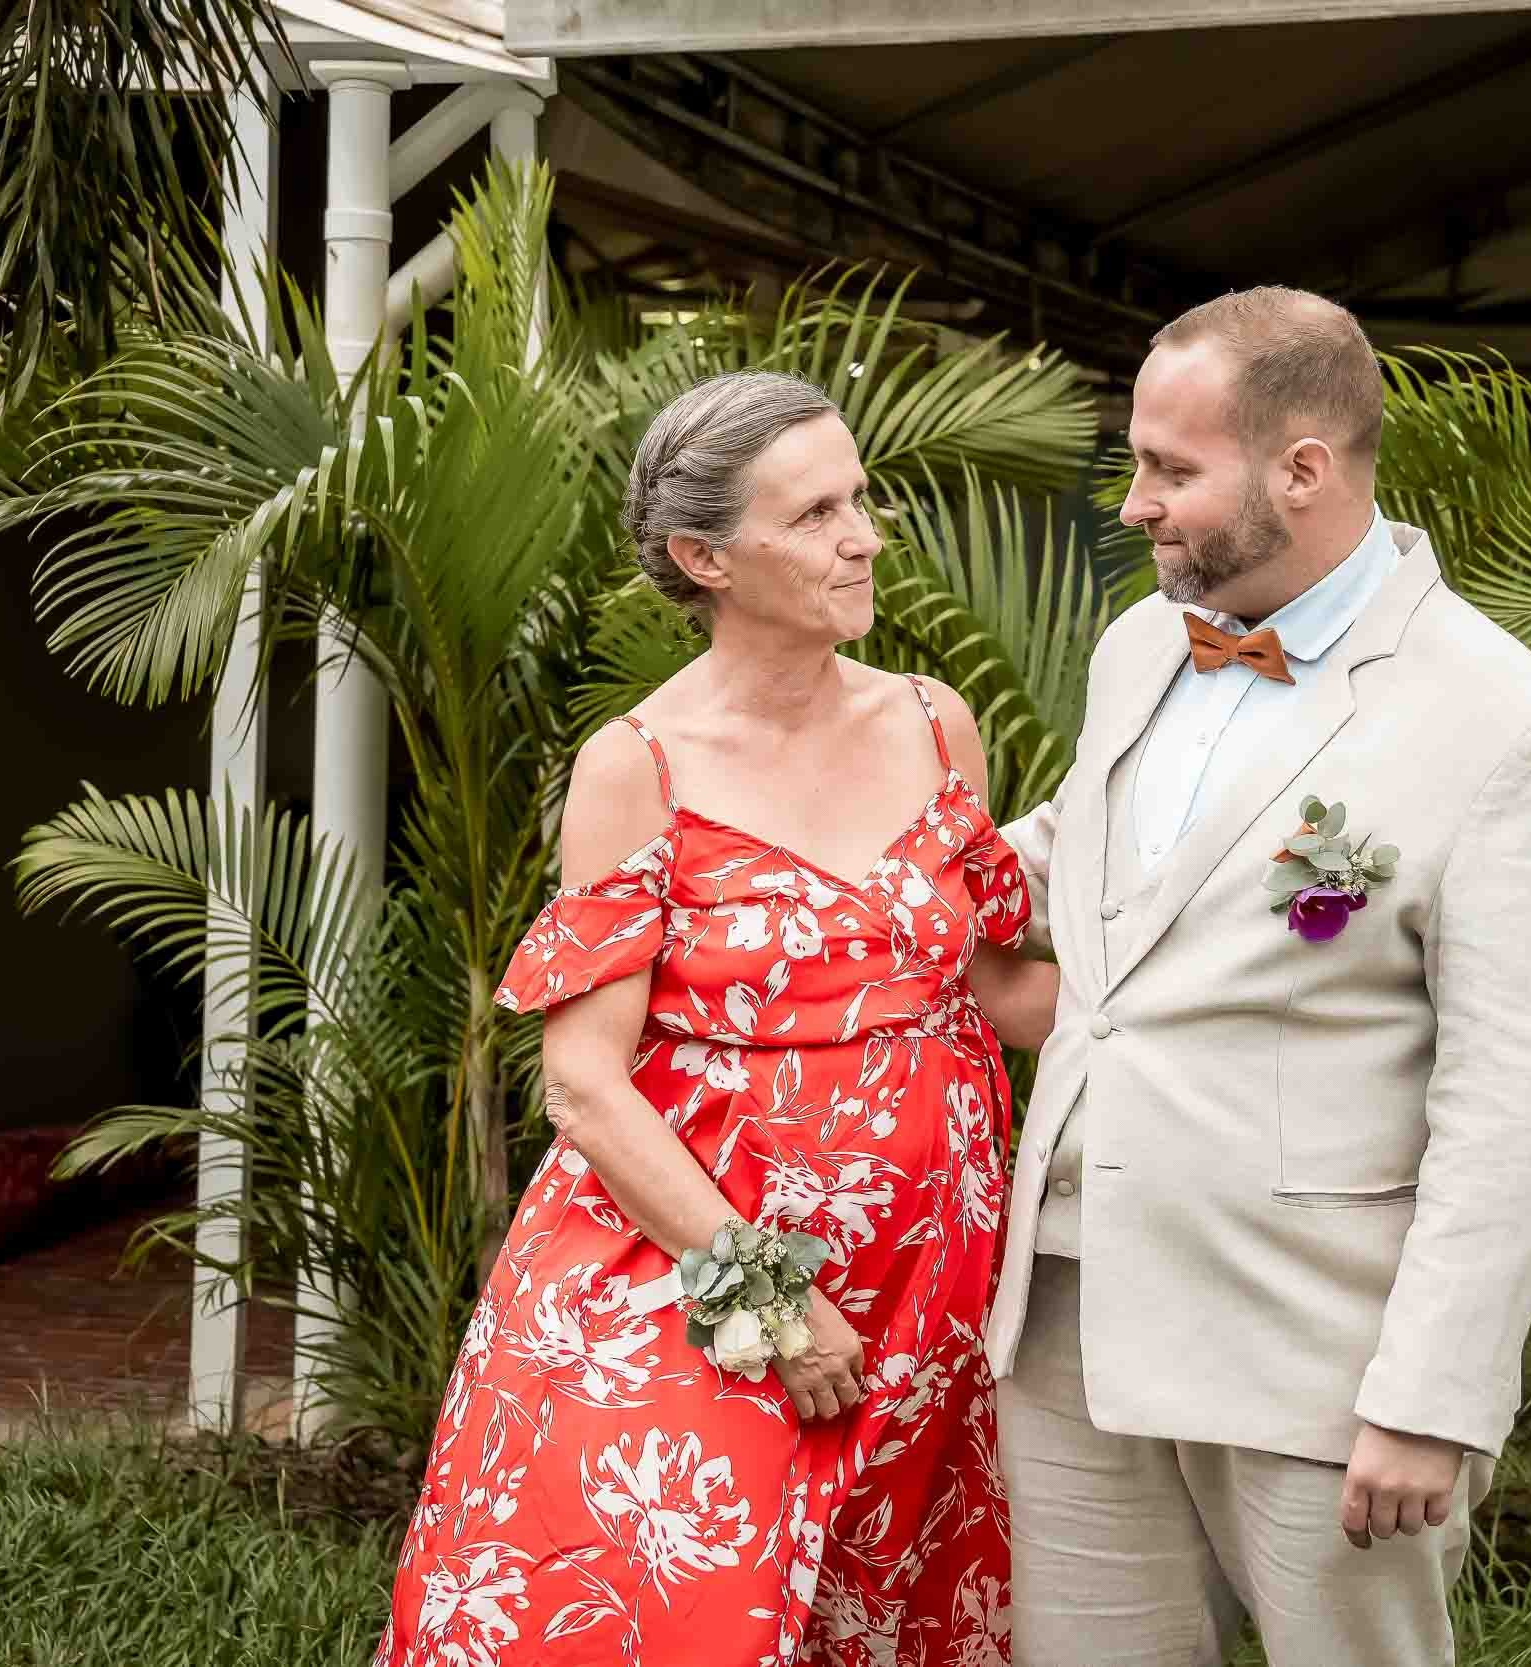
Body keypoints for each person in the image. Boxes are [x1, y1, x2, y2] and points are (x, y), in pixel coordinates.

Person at [376, 370, 1059, 1667]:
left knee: (883, 1616)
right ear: (706, 558)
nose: (862, 535)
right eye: (813, 515)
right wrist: (773, 1303)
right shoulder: (640, 765)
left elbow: (997, 988)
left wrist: (1213, 963)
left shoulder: (935, 723)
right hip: (704, 1275)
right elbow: (583, 1081)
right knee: (686, 1617)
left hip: (932, 1285)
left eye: (860, 500)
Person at [991, 288, 1531, 1665]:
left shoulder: (1516, 730)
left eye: (1172, 470)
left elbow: (1511, 1106)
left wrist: (1430, 1395)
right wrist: (809, 888)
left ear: (1304, 469)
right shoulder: (1137, 647)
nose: (1134, 504)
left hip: (1316, 1359)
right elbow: (1076, 857)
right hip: (1064, 1316)